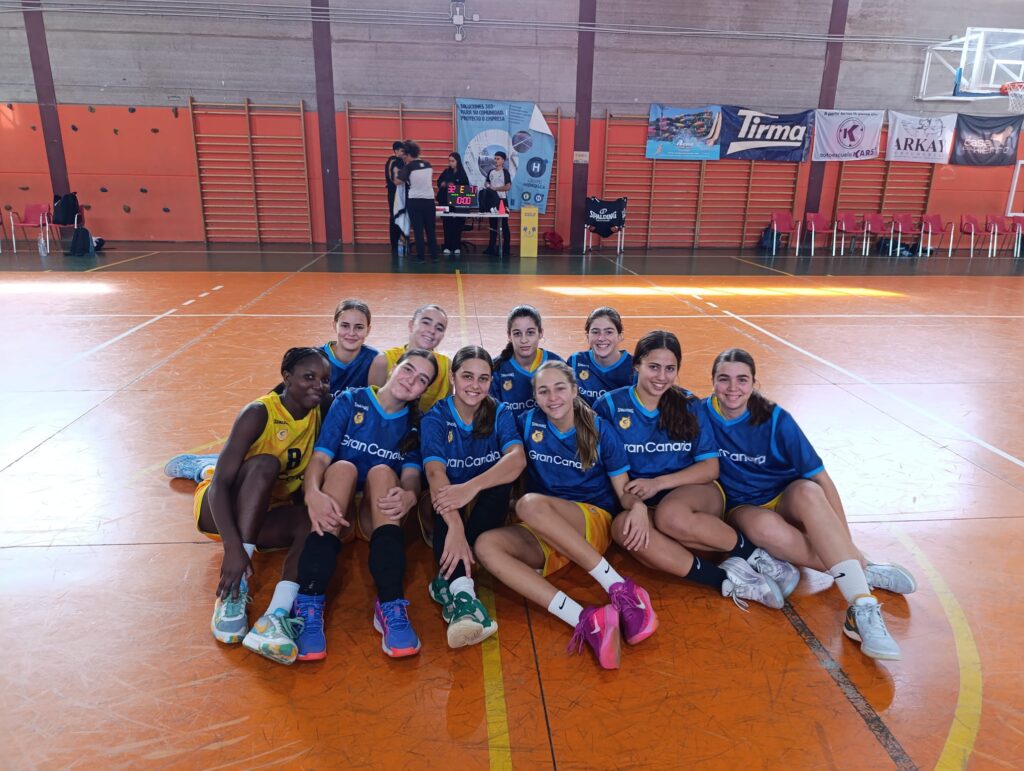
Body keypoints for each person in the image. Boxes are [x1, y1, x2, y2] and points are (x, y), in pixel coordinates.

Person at [703, 348, 917, 661]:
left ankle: (861, 605)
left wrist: (849, 545)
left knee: (809, 493)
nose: (732, 388)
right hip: (746, 507)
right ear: (712, 382)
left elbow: (823, 480)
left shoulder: (776, 420)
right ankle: (862, 572)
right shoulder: (701, 413)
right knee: (759, 525)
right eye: (724, 379)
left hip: (788, 497)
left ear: (754, 383)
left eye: (742, 379)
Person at [474, 362, 658, 670]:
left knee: (528, 504)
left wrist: (637, 506)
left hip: (590, 520)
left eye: (560, 388)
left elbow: (623, 489)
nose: (553, 397)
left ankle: (622, 588)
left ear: (574, 391)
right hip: (544, 527)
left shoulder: (599, 430)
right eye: (543, 391)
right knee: (485, 545)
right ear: (535, 396)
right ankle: (586, 619)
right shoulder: (529, 422)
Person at [596, 331, 797, 610]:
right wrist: (636, 505)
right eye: (654, 367)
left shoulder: (688, 404)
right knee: (624, 531)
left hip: (696, 492)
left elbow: (710, 468)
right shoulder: (610, 405)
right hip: (641, 502)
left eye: (670, 369)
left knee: (670, 515)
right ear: (636, 365)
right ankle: (726, 580)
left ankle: (757, 557)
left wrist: (658, 484)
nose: (662, 377)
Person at [293, 349, 439, 660]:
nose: (411, 380)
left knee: (383, 472)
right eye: (408, 369)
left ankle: (390, 605)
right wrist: (312, 494)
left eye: (421, 379)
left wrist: (411, 495)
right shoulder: (351, 400)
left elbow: (411, 475)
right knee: (343, 468)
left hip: (375, 518)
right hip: (335, 514)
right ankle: (308, 601)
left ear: (423, 391)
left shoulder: (417, 424)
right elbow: (321, 456)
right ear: (394, 367)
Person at [196, 347, 330, 665]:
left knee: (316, 521)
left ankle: (275, 617)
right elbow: (220, 489)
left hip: (268, 513)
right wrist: (233, 549)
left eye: (324, 379)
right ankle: (234, 591)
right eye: (308, 377)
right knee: (265, 465)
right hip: (221, 508)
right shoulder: (258, 413)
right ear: (286, 378)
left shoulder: (321, 408)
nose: (318, 385)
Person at [163, 299, 377, 483]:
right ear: (335, 325)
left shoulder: (374, 360)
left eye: (359, 327)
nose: (351, 333)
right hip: (309, 430)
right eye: (345, 325)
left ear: (368, 329)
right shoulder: (315, 357)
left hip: (341, 432)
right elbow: (284, 393)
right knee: (274, 467)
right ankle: (203, 468)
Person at [421, 346, 526, 647]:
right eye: (467, 376)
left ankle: (450, 587)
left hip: (480, 500)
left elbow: (517, 460)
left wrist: (471, 486)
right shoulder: (436, 417)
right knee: (443, 496)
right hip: (446, 504)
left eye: (483, 378)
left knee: (498, 480)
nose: (475, 386)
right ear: (453, 376)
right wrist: (455, 528)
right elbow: (435, 475)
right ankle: (465, 599)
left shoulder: (499, 412)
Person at [368, 304, 451, 413]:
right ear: (411, 324)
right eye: (426, 322)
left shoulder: (447, 366)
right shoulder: (383, 361)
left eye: (439, 328)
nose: (432, 330)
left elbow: (446, 409)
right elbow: (372, 406)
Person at [490, 304, 563, 419]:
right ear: (509, 335)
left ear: (540, 333)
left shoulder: (556, 364)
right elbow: (492, 415)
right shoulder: (497, 369)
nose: (524, 340)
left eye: (530, 332)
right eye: (517, 334)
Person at [567, 306, 635, 407]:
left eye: (609, 332)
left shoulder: (634, 367)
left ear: (620, 336)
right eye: (595, 332)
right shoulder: (575, 361)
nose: (601, 338)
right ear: (587, 336)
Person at [397, 140, 438, 263]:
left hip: (415, 202)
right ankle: (434, 256)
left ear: (409, 155)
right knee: (431, 230)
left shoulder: (408, 167)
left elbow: (398, 181)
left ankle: (421, 257)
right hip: (429, 201)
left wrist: (395, 173)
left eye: (405, 156)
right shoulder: (428, 165)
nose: (404, 158)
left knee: (418, 230)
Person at [436, 152, 470, 259]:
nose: (450, 163)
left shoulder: (462, 173)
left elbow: (466, 186)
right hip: (446, 202)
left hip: (458, 204)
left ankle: (456, 246)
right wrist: (442, 184)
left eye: (452, 161)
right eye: (449, 161)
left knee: (457, 225)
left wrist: (455, 185)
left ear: (457, 161)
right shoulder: (446, 172)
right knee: (447, 224)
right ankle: (447, 246)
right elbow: (439, 182)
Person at [484, 150, 512, 257]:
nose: (496, 160)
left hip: (502, 201)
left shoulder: (505, 172)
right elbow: (487, 182)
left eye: (498, 158)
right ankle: (491, 248)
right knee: (493, 225)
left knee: (504, 225)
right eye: (495, 158)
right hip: (492, 201)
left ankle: (506, 249)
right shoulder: (491, 172)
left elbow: (508, 186)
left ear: (503, 160)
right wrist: (487, 185)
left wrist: (496, 189)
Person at [385, 141, 407, 256]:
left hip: (397, 194)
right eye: (402, 151)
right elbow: (396, 178)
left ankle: (398, 242)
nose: (404, 153)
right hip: (395, 194)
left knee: (398, 217)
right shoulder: (395, 161)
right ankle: (396, 244)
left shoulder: (395, 161)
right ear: (396, 151)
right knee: (395, 218)